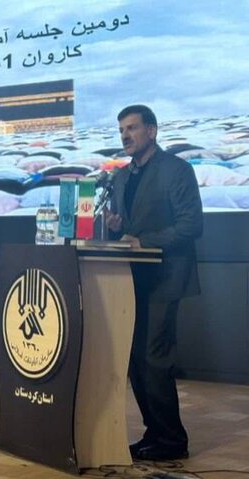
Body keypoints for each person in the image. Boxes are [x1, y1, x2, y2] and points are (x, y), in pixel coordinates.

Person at [105, 104, 203, 461]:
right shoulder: (121, 177)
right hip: (130, 280)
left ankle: (173, 441)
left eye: (132, 128)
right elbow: (129, 227)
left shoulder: (177, 170)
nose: (125, 136)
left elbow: (192, 225)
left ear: (152, 130)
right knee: (134, 361)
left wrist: (143, 242)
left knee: (154, 360)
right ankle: (155, 433)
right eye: (121, 130)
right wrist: (116, 227)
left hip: (165, 277)